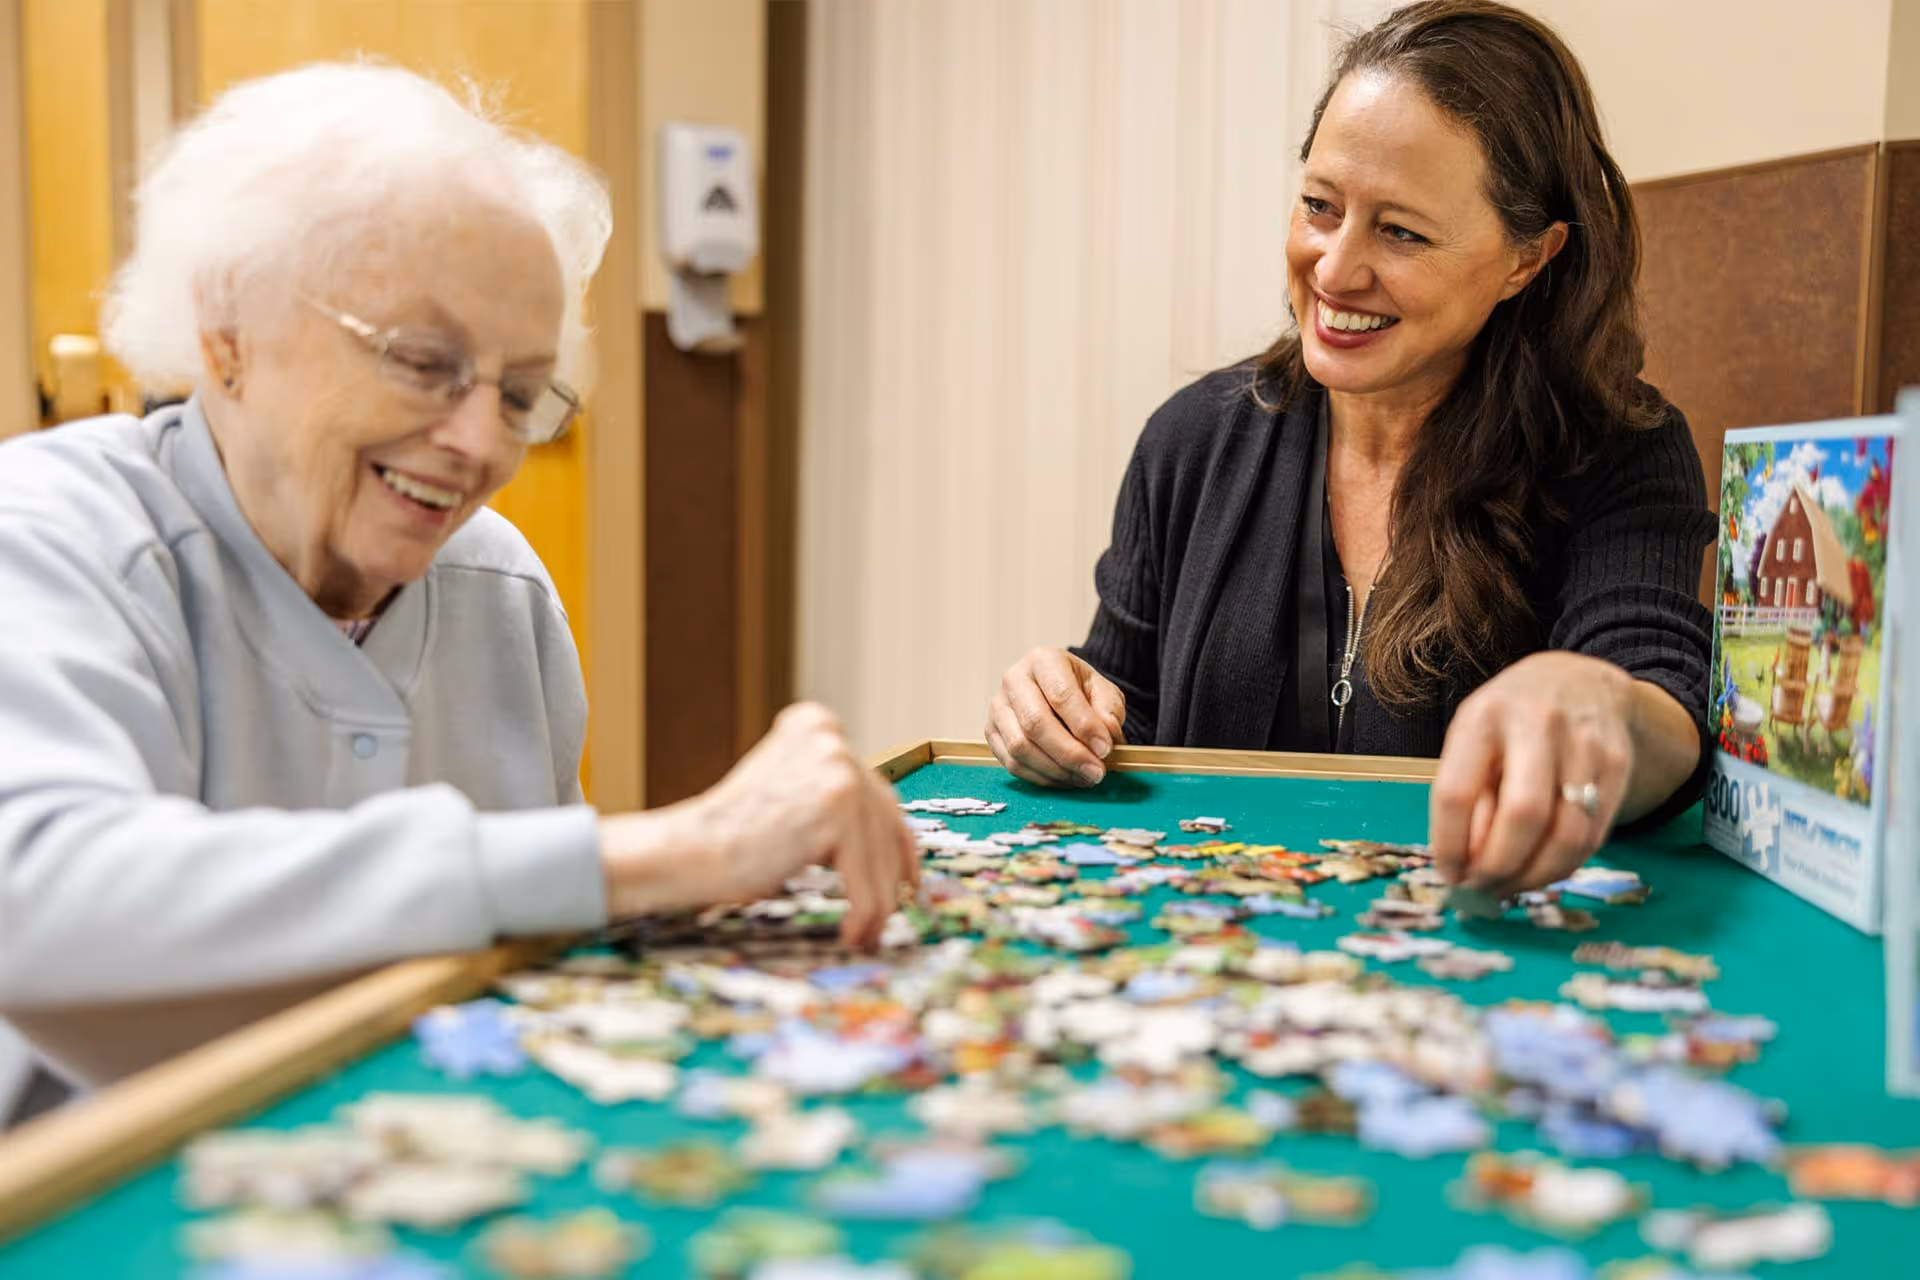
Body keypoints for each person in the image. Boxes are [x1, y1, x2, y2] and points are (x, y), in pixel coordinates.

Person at [0, 62, 912, 1091]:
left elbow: (515, 961)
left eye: (522, 394)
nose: (480, 444)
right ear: (228, 334)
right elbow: (36, 900)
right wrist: (675, 850)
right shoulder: (43, 528)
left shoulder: (499, 587)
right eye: (423, 362)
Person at [985, 0, 1714, 897]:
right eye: (1320, 206)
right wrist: (1058, 705)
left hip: (1483, 971)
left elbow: (1664, 718)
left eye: (1401, 231)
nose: (1334, 269)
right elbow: (1121, 700)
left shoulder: (1621, 451)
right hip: (1218, 964)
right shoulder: (1190, 440)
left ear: (1528, 258)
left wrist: (1602, 704)